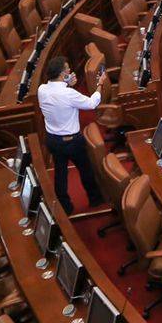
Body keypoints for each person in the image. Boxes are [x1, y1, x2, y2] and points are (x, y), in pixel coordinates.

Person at [37, 51, 108, 211]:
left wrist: (67, 83)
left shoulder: (42, 89)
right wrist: (100, 84)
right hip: (72, 142)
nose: (70, 72)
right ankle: (95, 200)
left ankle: (65, 207)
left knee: (60, 174)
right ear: (62, 73)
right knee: (86, 170)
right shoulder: (69, 94)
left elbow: (58, 95)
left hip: (53, 141)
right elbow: (91, 103)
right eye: (68, 70)